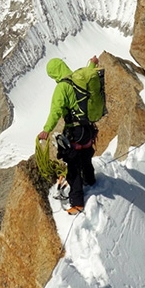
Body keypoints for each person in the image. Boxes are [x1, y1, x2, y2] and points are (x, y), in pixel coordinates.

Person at [37, 56, 99, 215]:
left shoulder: (62, 88)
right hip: (89, 129)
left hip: (75, 131)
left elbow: (56, 111)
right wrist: (92, 62)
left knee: (73, 167)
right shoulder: (80, 78)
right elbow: (90, 71)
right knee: (85, 157)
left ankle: (77, 203)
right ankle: (91, 180)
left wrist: (46, 130)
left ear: (54, 74)